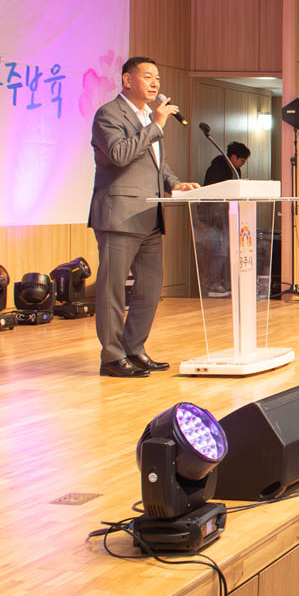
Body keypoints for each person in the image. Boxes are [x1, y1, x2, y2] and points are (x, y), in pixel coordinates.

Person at [88, 56, 199, 378]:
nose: (155, 83)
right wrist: (156, 126)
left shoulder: (148, 118)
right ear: (127, 80)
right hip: (119, 216)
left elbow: (155, 163)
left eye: (158, 78)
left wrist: (174, 183)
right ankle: (112, 357)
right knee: (112, 291)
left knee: (150, 290)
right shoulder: (109, 114)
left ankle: (134, 349)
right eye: (148, 76)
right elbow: (120, 155)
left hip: (150, 215)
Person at [197, 140, 251, 296]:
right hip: (214, 217)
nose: (243, 164)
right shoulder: (216, 170)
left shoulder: (236, 171)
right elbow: (214, 194)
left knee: (228, 250)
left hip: (228, 215)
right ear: (233, 157)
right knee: (220, 251)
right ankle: (213, 284)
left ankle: (228, 283)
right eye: (242, 161)